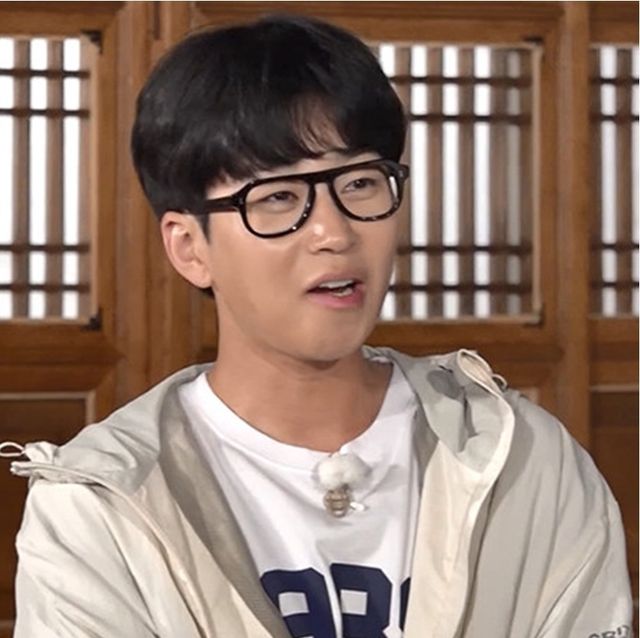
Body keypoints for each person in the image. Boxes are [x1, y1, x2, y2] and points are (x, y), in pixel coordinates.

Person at [4, 14, 632, 638]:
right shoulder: (101, 502)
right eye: (278, 197)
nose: (334, 232)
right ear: (190, 247)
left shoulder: (521, 459)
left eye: (359, 182)